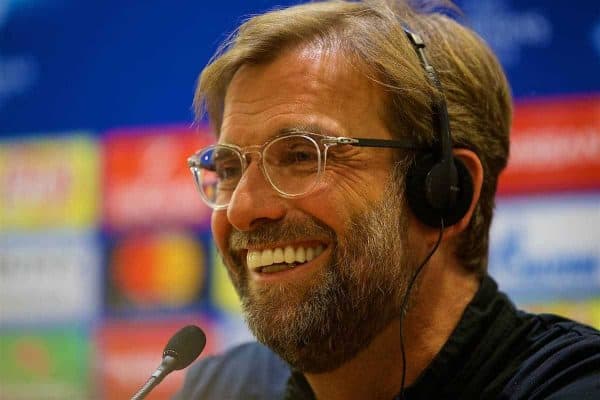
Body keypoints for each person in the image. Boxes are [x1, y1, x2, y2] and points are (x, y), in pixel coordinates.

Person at [175, 1, 600, 399]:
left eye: (302, 155)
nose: (243, 209)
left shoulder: (573, 385)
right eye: (229, 168)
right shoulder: (222, 386)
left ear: (444, 191)